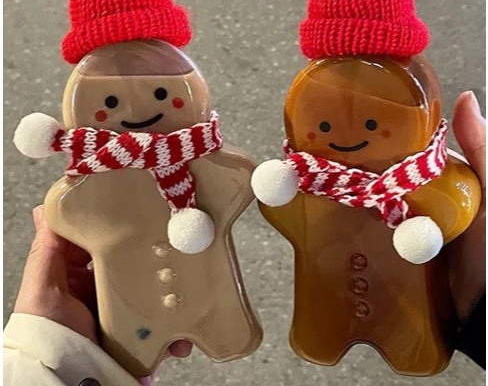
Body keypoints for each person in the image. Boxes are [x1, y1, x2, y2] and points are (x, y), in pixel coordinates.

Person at [3, 92, 485, 385]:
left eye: (162, 93)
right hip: (131, 305)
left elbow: (455, 197)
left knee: (396, 332)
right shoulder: (305, 180)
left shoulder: (415, 179)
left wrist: (57, 358)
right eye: (321, 125)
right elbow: (70, 208)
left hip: (410, 297)